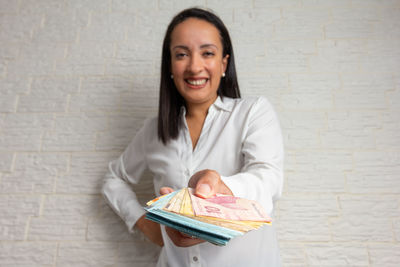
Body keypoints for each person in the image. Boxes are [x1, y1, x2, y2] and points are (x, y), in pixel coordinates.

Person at [102, 7, 284, 267]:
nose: (195, 66)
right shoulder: (153, 131)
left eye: (207, 53)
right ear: (170, 67)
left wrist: (224, 189)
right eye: (181, 55)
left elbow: (269, 180)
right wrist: (144, 223)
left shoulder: (253, 112)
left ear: (223, 64)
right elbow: (113, 178)